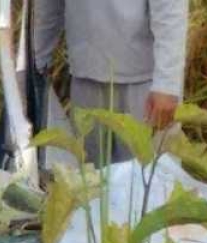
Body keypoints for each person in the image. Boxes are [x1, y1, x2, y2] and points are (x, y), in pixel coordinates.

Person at [32, 0, 189, 163]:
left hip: (145, 86)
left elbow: (171, 14)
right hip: (85, 78)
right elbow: (48, 8)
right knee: (90, 177)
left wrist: (167, 85)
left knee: (151, 175)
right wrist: (34, 63)